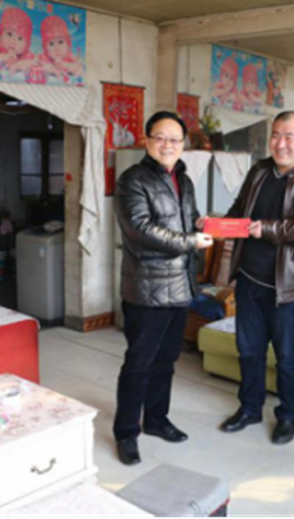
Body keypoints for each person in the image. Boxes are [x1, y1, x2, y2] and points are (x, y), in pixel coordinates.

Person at [217, 111, 294, 445]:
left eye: (289, 136)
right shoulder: (258, 171)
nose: (280, 143)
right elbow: (241, 208)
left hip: (290, 288)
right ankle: (250, 409)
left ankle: (287, 416)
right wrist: (219, 225)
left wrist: (268, 229)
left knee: (287, 358)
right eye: (275, 135)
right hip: (249, 279)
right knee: (249, 351)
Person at [113, 112, 214, 466]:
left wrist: (201, 223)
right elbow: (139, 230)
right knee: (138, 364)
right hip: (147, 289)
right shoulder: (132, 180)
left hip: (181, 286)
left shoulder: (184, 179)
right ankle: (126, 432)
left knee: (166, 361)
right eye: (160, 137)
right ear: (147, 140)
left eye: (175, 139)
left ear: (183, 145)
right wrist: (191, 241)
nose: (168, 145)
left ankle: (156, 419)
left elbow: (187, 219)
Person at [0, 7, 36, 80]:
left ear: (27, 45)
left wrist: (18, 64)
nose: (13, 41)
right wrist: (3, 57)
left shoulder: (26, 56)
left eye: (20, 39)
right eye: (9, 34)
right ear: (1, 33)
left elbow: (34, 63)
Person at [39, 16, 84, 84]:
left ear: (68, 44)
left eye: (60, 42)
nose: (56, 48)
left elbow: (80, 70)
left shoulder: (70, 57)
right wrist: (51, 68)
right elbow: (37, 66)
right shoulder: (44, 58)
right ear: (45, 48)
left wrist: (67, 65)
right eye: (51, 44)